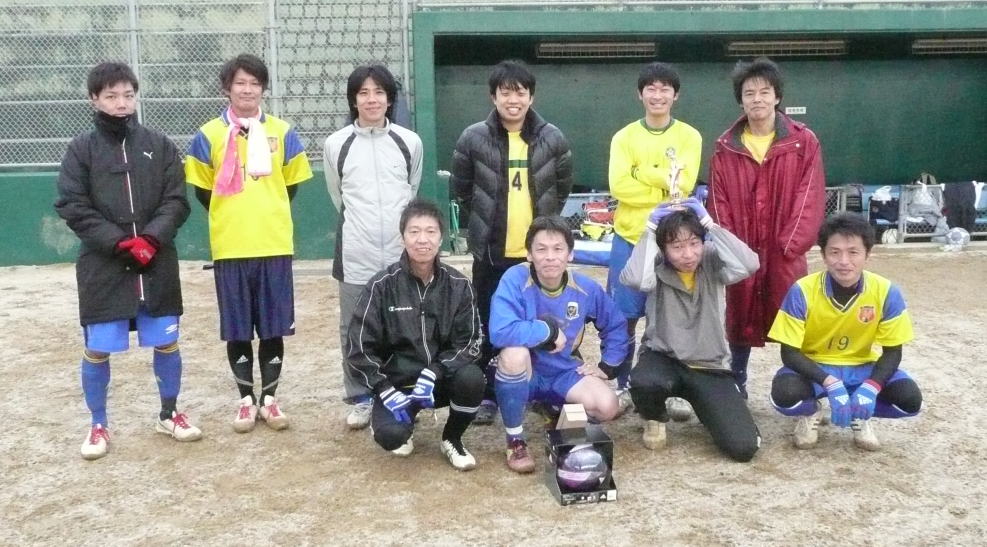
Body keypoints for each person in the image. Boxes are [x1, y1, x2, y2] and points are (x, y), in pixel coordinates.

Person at [55, 62, 199, 460]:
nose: (121, 103)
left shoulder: (160, 144)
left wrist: (151, 239)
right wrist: (119, 243)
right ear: (94, 99)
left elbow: (176, 200)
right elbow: (73, 205)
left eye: (128, 95)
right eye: (111, 96)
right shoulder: (80, 150)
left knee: (166, 341)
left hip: (156, 263)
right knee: (98, 347)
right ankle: (98, 424)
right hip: (104, 266)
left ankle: (169, 414)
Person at [185, 53, 313, 433]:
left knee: (273, 327)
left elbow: (290, 186)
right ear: (227, 88)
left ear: (263, 89)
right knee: (238, 327)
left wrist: (265, 210)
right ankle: (245, 399)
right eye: (240, 83)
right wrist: (232, 214)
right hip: (231, 246)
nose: (247, 90)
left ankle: (269, 400)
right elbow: (203, 191)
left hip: (273, 244)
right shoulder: (208, 135)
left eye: (255, 83)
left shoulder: (283, 132)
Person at [450, 60, 573, 425]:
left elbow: (562, 188)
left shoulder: (552, 138)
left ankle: (541, 390)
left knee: (542, 322)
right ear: (494, 97)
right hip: (491, 255)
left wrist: (544, 236)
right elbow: (461, 190)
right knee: (491, 322)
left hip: (536, 257)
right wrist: (485, 225)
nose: (513, 99)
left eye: (520, 92)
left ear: (531, 97)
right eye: (505, 92)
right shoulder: (473, 138)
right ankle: (489, 393)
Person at [708, 57, 826, 396]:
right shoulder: (726, 146)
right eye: (749, 93)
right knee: (739, 313)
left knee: (793, 314)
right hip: (743, 250)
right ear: (740, 100)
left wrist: (791, 244)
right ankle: (737, 380)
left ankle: (801, 383)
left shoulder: (803, 141)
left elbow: (810, 194)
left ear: (777, 96)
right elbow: (718, 201)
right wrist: (733, 249)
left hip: (782, 249)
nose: (757, 99)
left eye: (764, 91)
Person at [347, 199, 485, 471]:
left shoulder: (459, 285)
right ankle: (401, 421)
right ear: (403, 238)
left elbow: (470, 342)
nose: (423, 239)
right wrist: (383, 388)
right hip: (397, 385)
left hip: (440, 380)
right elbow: (359, 348)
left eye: (431, 231)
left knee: (472, 378)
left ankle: (452, 438)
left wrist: (435, 371)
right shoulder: (381, 285)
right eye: (414, 231)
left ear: (441, 238)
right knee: (391, 437)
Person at [620, 200, 761, 462]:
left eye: (694, 243)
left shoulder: (712, 258)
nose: (688, 254)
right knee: (644, 382)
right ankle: (654, 416)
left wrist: (710, 225)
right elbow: (636, 279)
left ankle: (703, 405)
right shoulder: (656, 264)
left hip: (708, 364)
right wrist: (650, 230)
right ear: (664, 248)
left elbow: (749, 264)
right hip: (664, 357)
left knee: (743, 447)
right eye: (677, 246)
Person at [768, 213, 922, 451]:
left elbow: (893, 352)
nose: (843, 261)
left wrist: (871, 387)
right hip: (815, 367)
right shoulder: (802, 290)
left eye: (853, 252)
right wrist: (830, 383)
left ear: (867, 254)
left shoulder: (886, 291)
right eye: (835, 252)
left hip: (862, 366)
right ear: (823, 255)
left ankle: (860, 413)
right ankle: (812, 412)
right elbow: (789, 353)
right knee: (785, 397)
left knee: (910, 401)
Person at [324, 64, 423, 430]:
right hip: (356, 254)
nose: (371, 99)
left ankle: (400, 391)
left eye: (379, 92)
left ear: (390, 99)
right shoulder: (336, 144)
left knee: (404, 324)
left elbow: (411, 190)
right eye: (363, 93)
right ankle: (360, 397)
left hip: (400, 255)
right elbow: (338, 196)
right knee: (353, 327)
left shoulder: (409, 141)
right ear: (353, 100)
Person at [489, 216, 629, 473]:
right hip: (528, 372)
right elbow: (499, 331)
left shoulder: (585, 288)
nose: (550, 257)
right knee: (513, 354)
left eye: (558, 249)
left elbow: (616, 325)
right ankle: (515, 440)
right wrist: (548, 330)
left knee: (608, 405)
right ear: (529, 254)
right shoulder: (514, 278)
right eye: (541, 249)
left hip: (564, 371)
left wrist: (607, 366)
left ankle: (556, 410)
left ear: (570, 254)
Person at [607, 62, 702, 418]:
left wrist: (641, 172)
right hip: (630, 238)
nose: (658, 95)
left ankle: (672, 389)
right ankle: (623, 385)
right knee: (624, 318)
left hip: (673, 244)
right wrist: (663, 187)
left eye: (665, 89)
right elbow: (619, 186)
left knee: (671, 319)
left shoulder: (689, 136)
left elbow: (684, 186)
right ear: (640, 94)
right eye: (651, 88)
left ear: (675, 95)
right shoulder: (624, 137)